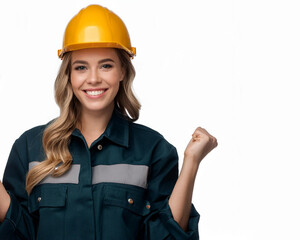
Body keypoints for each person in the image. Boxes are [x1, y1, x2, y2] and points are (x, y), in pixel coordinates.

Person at [0, 4, 217, 240]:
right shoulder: (29, 148)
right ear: (69, 75)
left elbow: (166, 236)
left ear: (123, 70)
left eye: (106, 65)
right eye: (81, 67)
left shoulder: (154, 151)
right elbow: (17, 233)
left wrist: (192, 162)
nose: (93, 79)